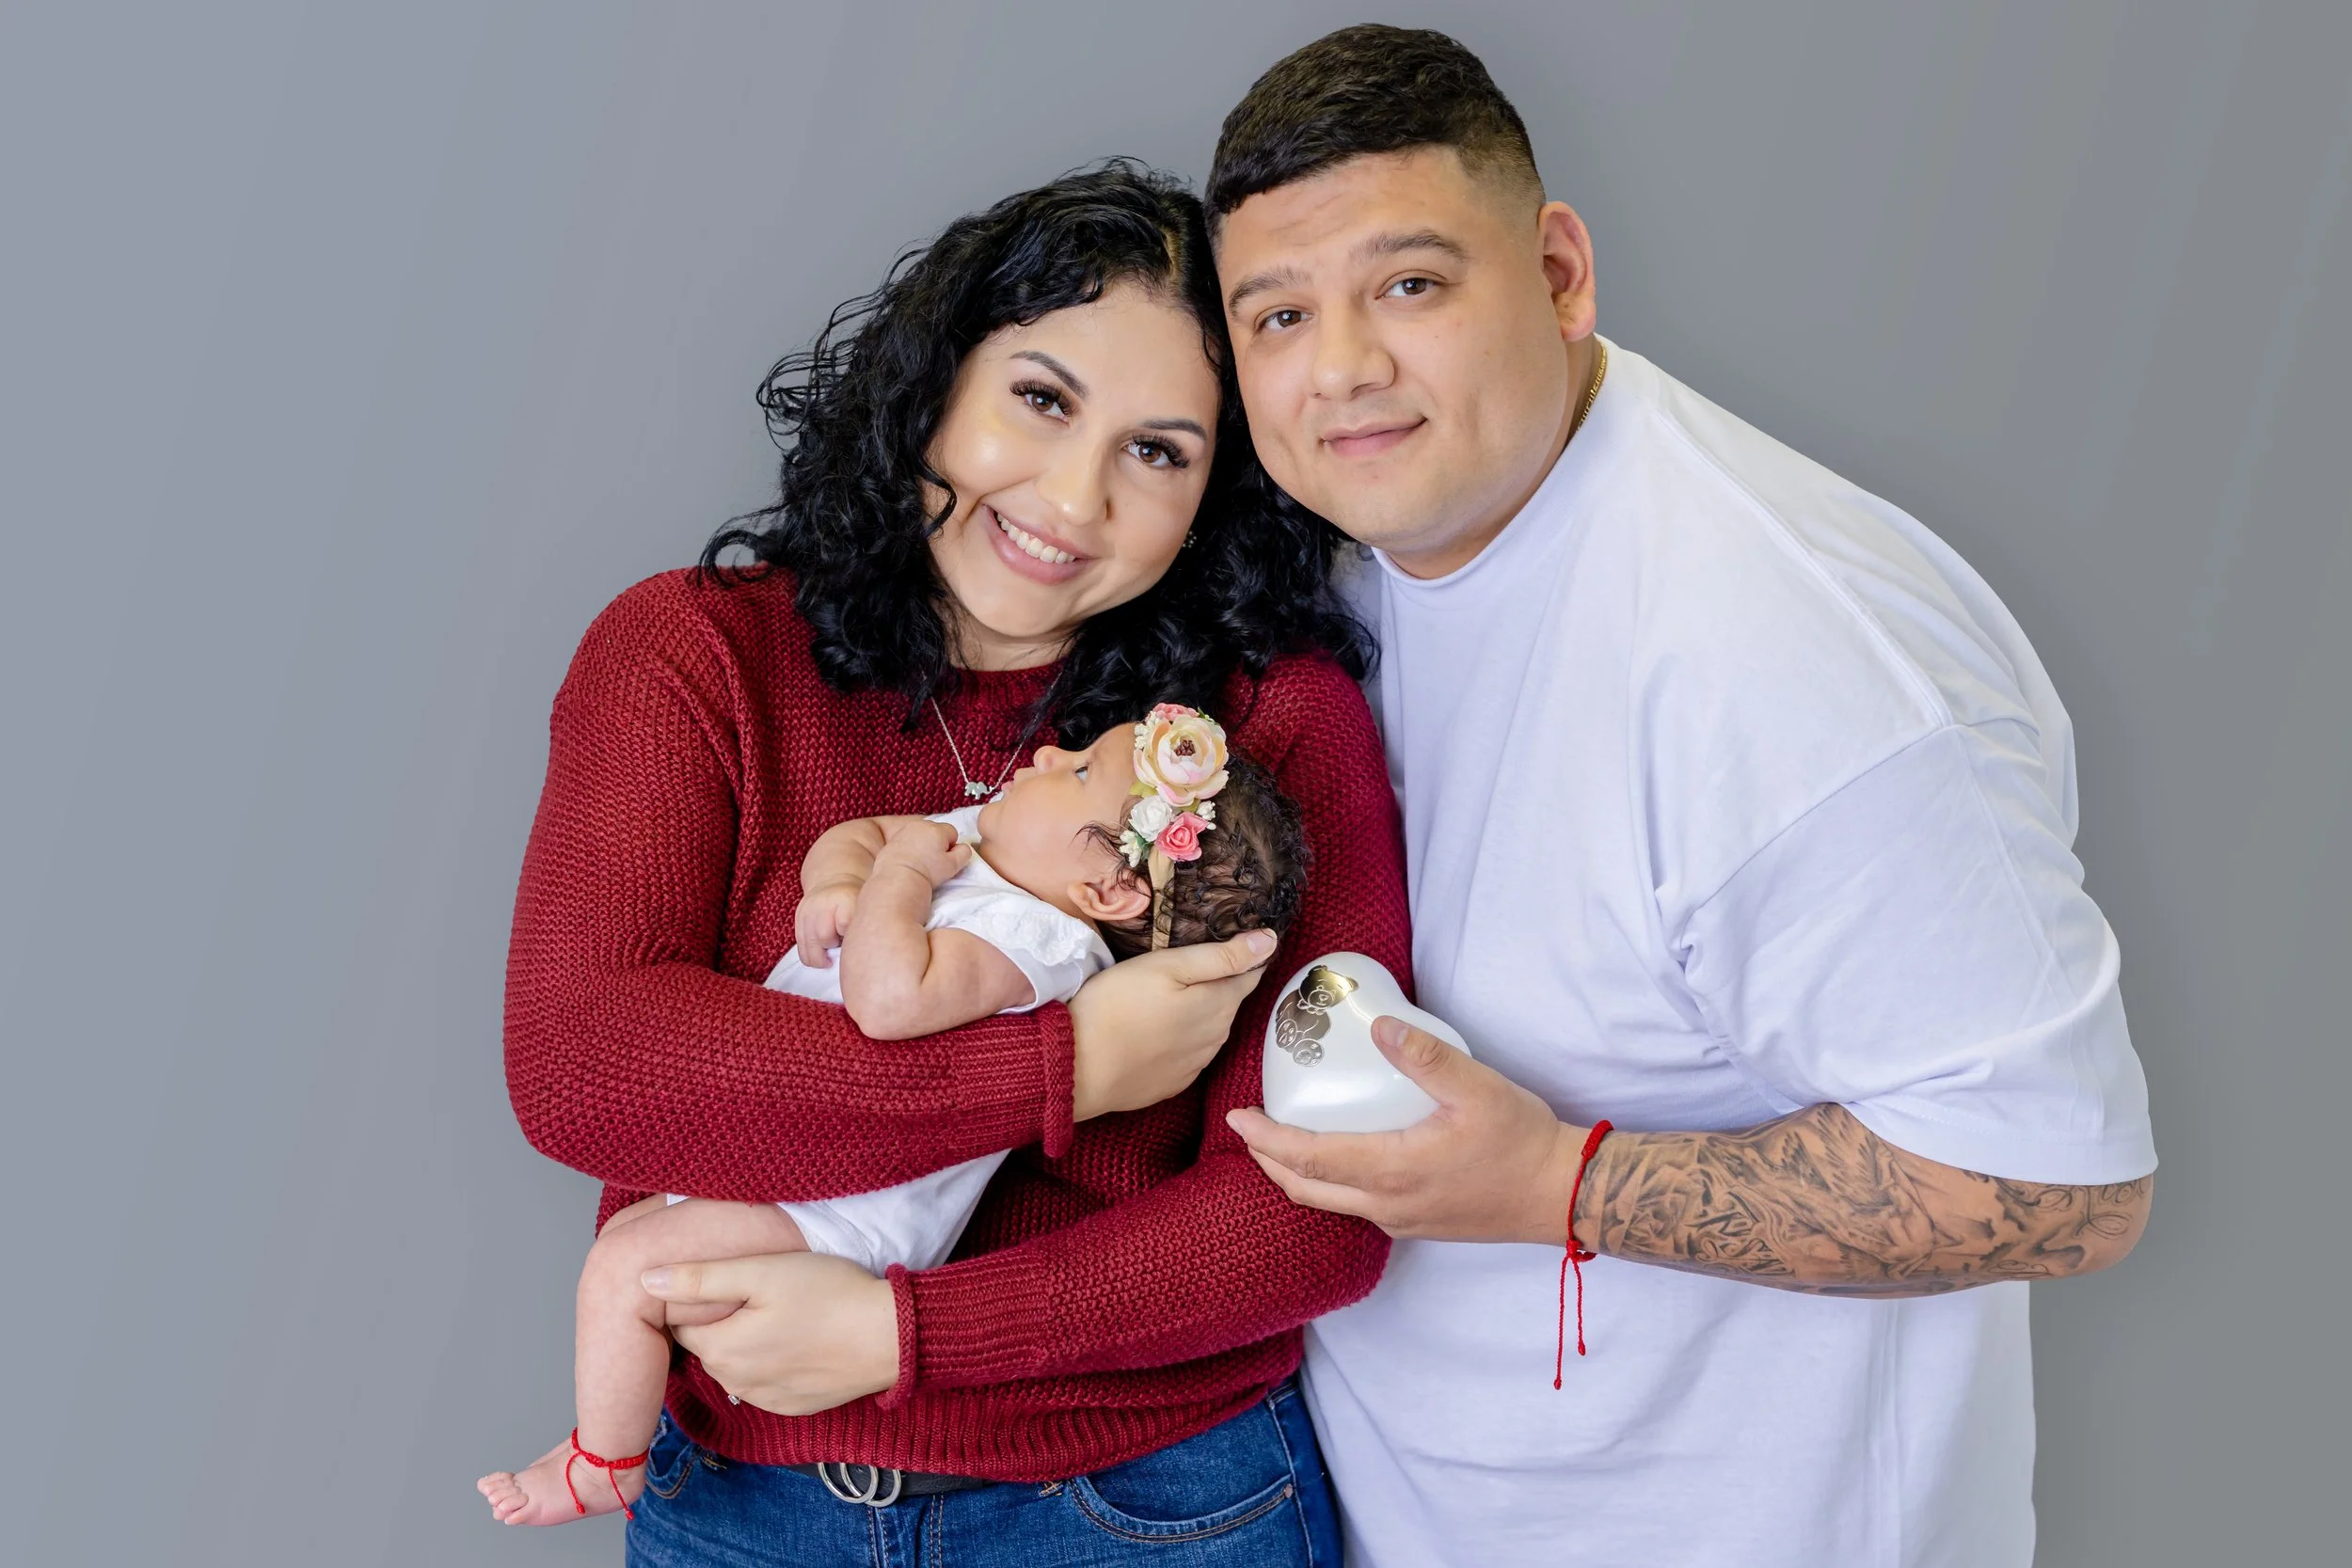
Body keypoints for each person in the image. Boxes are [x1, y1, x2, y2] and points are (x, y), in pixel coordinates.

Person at [1208, 26, 2157, 1568]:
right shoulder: (1331, 571)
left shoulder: (1784, 657)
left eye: (1412, 285)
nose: (1343, 368)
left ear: (1560, 275)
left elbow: (2058, 1184)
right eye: (1279, 315)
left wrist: (1561, 1182)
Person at [500, 163, 1406, 1564]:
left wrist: (907, 1332)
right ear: (933, 382)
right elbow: (586, 1062)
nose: (1073, 498)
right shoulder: (696, 656)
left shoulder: (1254, 742)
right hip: (740, 1513)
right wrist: (1064, 1069)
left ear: (1217, 490)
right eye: (1041, 400)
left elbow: (1320, 1211)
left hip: (1150, 1510)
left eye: (1157, 452)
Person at [483, 706, 1307, 1527]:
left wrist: (905, 873)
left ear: (1107, 890)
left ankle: (605, 1462)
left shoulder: (1037, 938)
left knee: (624, 1271)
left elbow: (887, 998)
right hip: (802, 1162)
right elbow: (864, 834)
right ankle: (614, 1438)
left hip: (855, 1210)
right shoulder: (993, 847)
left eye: (1082, 770)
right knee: (632, 1256)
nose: (1052, 752)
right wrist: (843, 879)